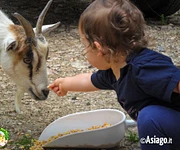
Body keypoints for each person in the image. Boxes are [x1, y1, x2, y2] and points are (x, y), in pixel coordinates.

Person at [48, 0, 180, 149]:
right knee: (149, 119)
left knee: (149, 117)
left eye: (84, 46)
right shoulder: (114, 71)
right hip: (170, 133)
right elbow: (88, 80)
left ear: (99, 48)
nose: (84, 51)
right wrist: (64, 84)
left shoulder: (144, 68)